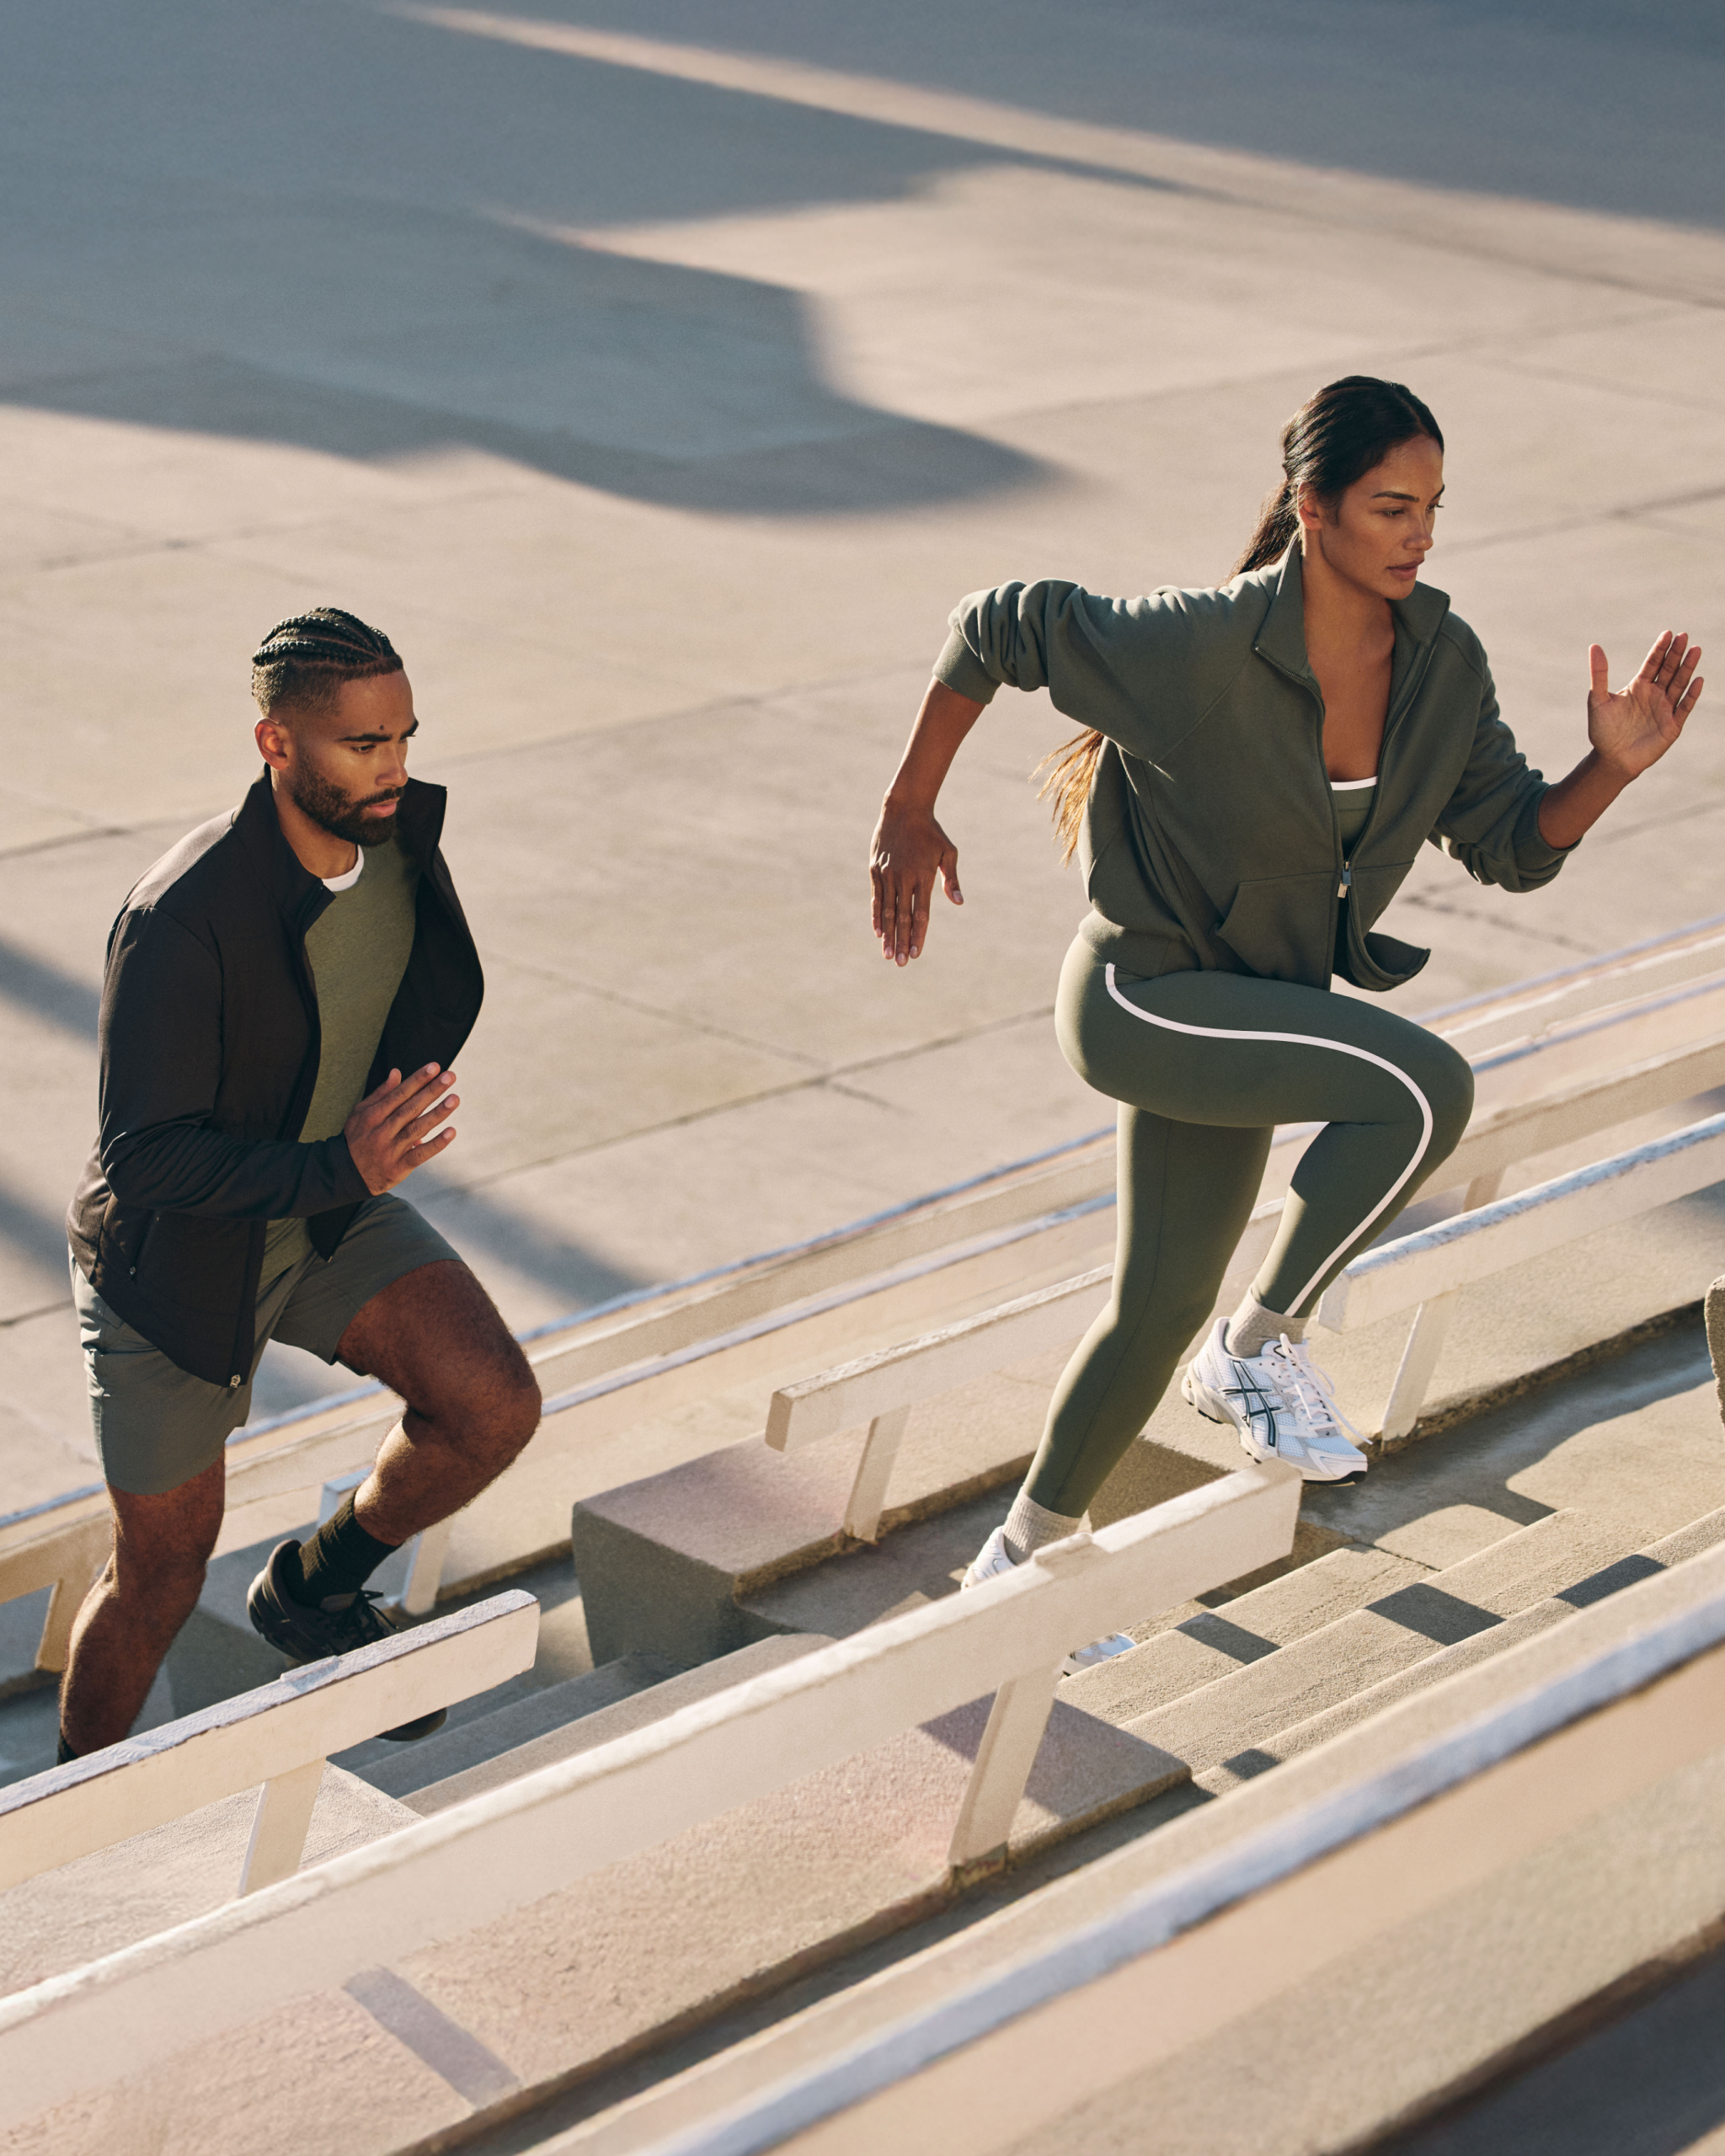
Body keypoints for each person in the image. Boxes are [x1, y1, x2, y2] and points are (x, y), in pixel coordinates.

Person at [868, 375, 1702, 1668]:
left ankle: (1021, 1560)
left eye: (1432, 507)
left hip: (1253, 1013)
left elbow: (1511, 846)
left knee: (1153, 1305)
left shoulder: (1442, 663)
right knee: (1423, 1088)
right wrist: (909, 807)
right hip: (1144, 997)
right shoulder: (1200, 644)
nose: (1419, 533)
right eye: (1389, 507)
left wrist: (1612, 766)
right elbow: (999, 625)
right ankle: (1257, 1348)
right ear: (1313, 510)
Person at [61, 608, 541, 1756]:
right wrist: (344, 1161)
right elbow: (146, 1157)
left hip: (322, 1216)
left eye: (404, 737)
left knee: (490, 1404)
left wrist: (345, 1166)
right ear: (276, 745)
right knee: (161, 1574)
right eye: (360, 745)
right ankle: (54, 1824)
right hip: (174, 1265)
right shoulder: (182, 919)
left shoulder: (395, 846)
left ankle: (315, 1591)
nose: (393, 769)